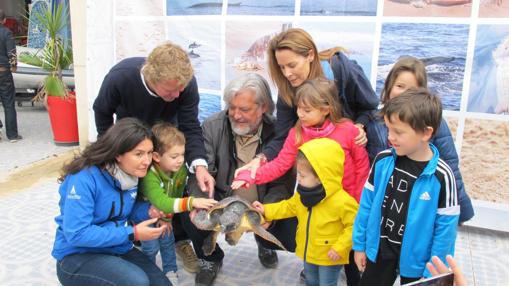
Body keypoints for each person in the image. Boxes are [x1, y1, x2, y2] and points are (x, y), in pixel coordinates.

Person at [93, 42, 215, 272]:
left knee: (172, 189)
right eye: (171, 91)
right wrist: (110, 150)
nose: (178, 94)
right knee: (133, 191)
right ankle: (132, 240)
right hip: (132, 136)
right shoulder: (120, 77)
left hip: (168, 136)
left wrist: (199, 164)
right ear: (152, 77)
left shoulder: (184, 84)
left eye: (181, 89)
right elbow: (102, 111)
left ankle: (179, 241)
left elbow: (190, 125)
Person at [183, 73, 297, 286]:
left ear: (263, 107)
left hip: (260, 205)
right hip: (221, 203)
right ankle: (210, 258)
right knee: (189, 210)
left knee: (293, 225)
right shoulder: (212, 125)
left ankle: (265, 242)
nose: (235, 114)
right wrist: (198, 201)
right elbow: (199, 173)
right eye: (231, 107)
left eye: (244, 109)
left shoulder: (279, 133)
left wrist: (268, 210)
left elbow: (283, 183)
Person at [353, 88, 460, 286]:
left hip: (418, 265)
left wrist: (435, 273)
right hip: (379, 252)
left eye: (398, 132)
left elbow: (445, 230)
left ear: (426, 132)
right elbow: (366, 206)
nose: (390, 137)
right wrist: (359, 245)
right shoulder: (382, 161)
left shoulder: (443, 176)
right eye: (388, 129)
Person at [52, 117, 171, 286]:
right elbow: (77, 234)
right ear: (118, 154)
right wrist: (132, 233)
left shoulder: (131, 173)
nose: (147, 161)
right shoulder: (83, 178)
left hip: (115, 247)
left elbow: (124, 211)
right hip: (77, 255)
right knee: (136, 282)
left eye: (149, 153)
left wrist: (149, 211)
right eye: (139, 154)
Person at [365, 56, 474, 223]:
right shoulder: (374, 120)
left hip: (418, 203)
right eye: (400, 86)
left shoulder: (431, 122)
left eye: (412, 89)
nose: (404, 93)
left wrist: (461, 209)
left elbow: (450, 164)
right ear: (388, 87)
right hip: (385, 202)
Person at [233, 77, 370, 203]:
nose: (300, 114)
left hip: (347, 204)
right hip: (314, 205)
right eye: (298, 107)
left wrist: (358, 203)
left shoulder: (349, 130)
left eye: (307, 110)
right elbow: (280, 165)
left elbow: (362, 168)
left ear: (326, 109)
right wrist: (250, 176)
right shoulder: (297, 134)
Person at [252, 138, 359, 286]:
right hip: (308, 250)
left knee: (327, 283)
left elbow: (354, 227)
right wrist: (266, 210)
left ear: (321, 177)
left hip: (331, 255)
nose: (298, 178)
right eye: (298, 173)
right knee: (311, 280)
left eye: (302, 175)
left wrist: (340, 247)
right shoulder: (303, 194)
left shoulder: (343, 202)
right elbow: (289, 207)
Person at [140, 122, 217, 286]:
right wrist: (193, 202)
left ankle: (170, 270)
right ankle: (148, 273)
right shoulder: (149, 176)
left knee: (168, 241)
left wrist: (167, 217)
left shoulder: (180, 169)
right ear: (156, 156)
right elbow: (161, 201)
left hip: (165, 213)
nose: (181, 160)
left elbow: (176, 192)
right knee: (151, 247)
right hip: (144, 214)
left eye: (182, 154)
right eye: (174, 156)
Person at [0, 9, 22, 142]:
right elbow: (12, 53)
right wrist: (14, 66)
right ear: (4, 20)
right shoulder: (6, 33)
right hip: (3, 72)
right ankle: (12, 135)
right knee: (8, 104)